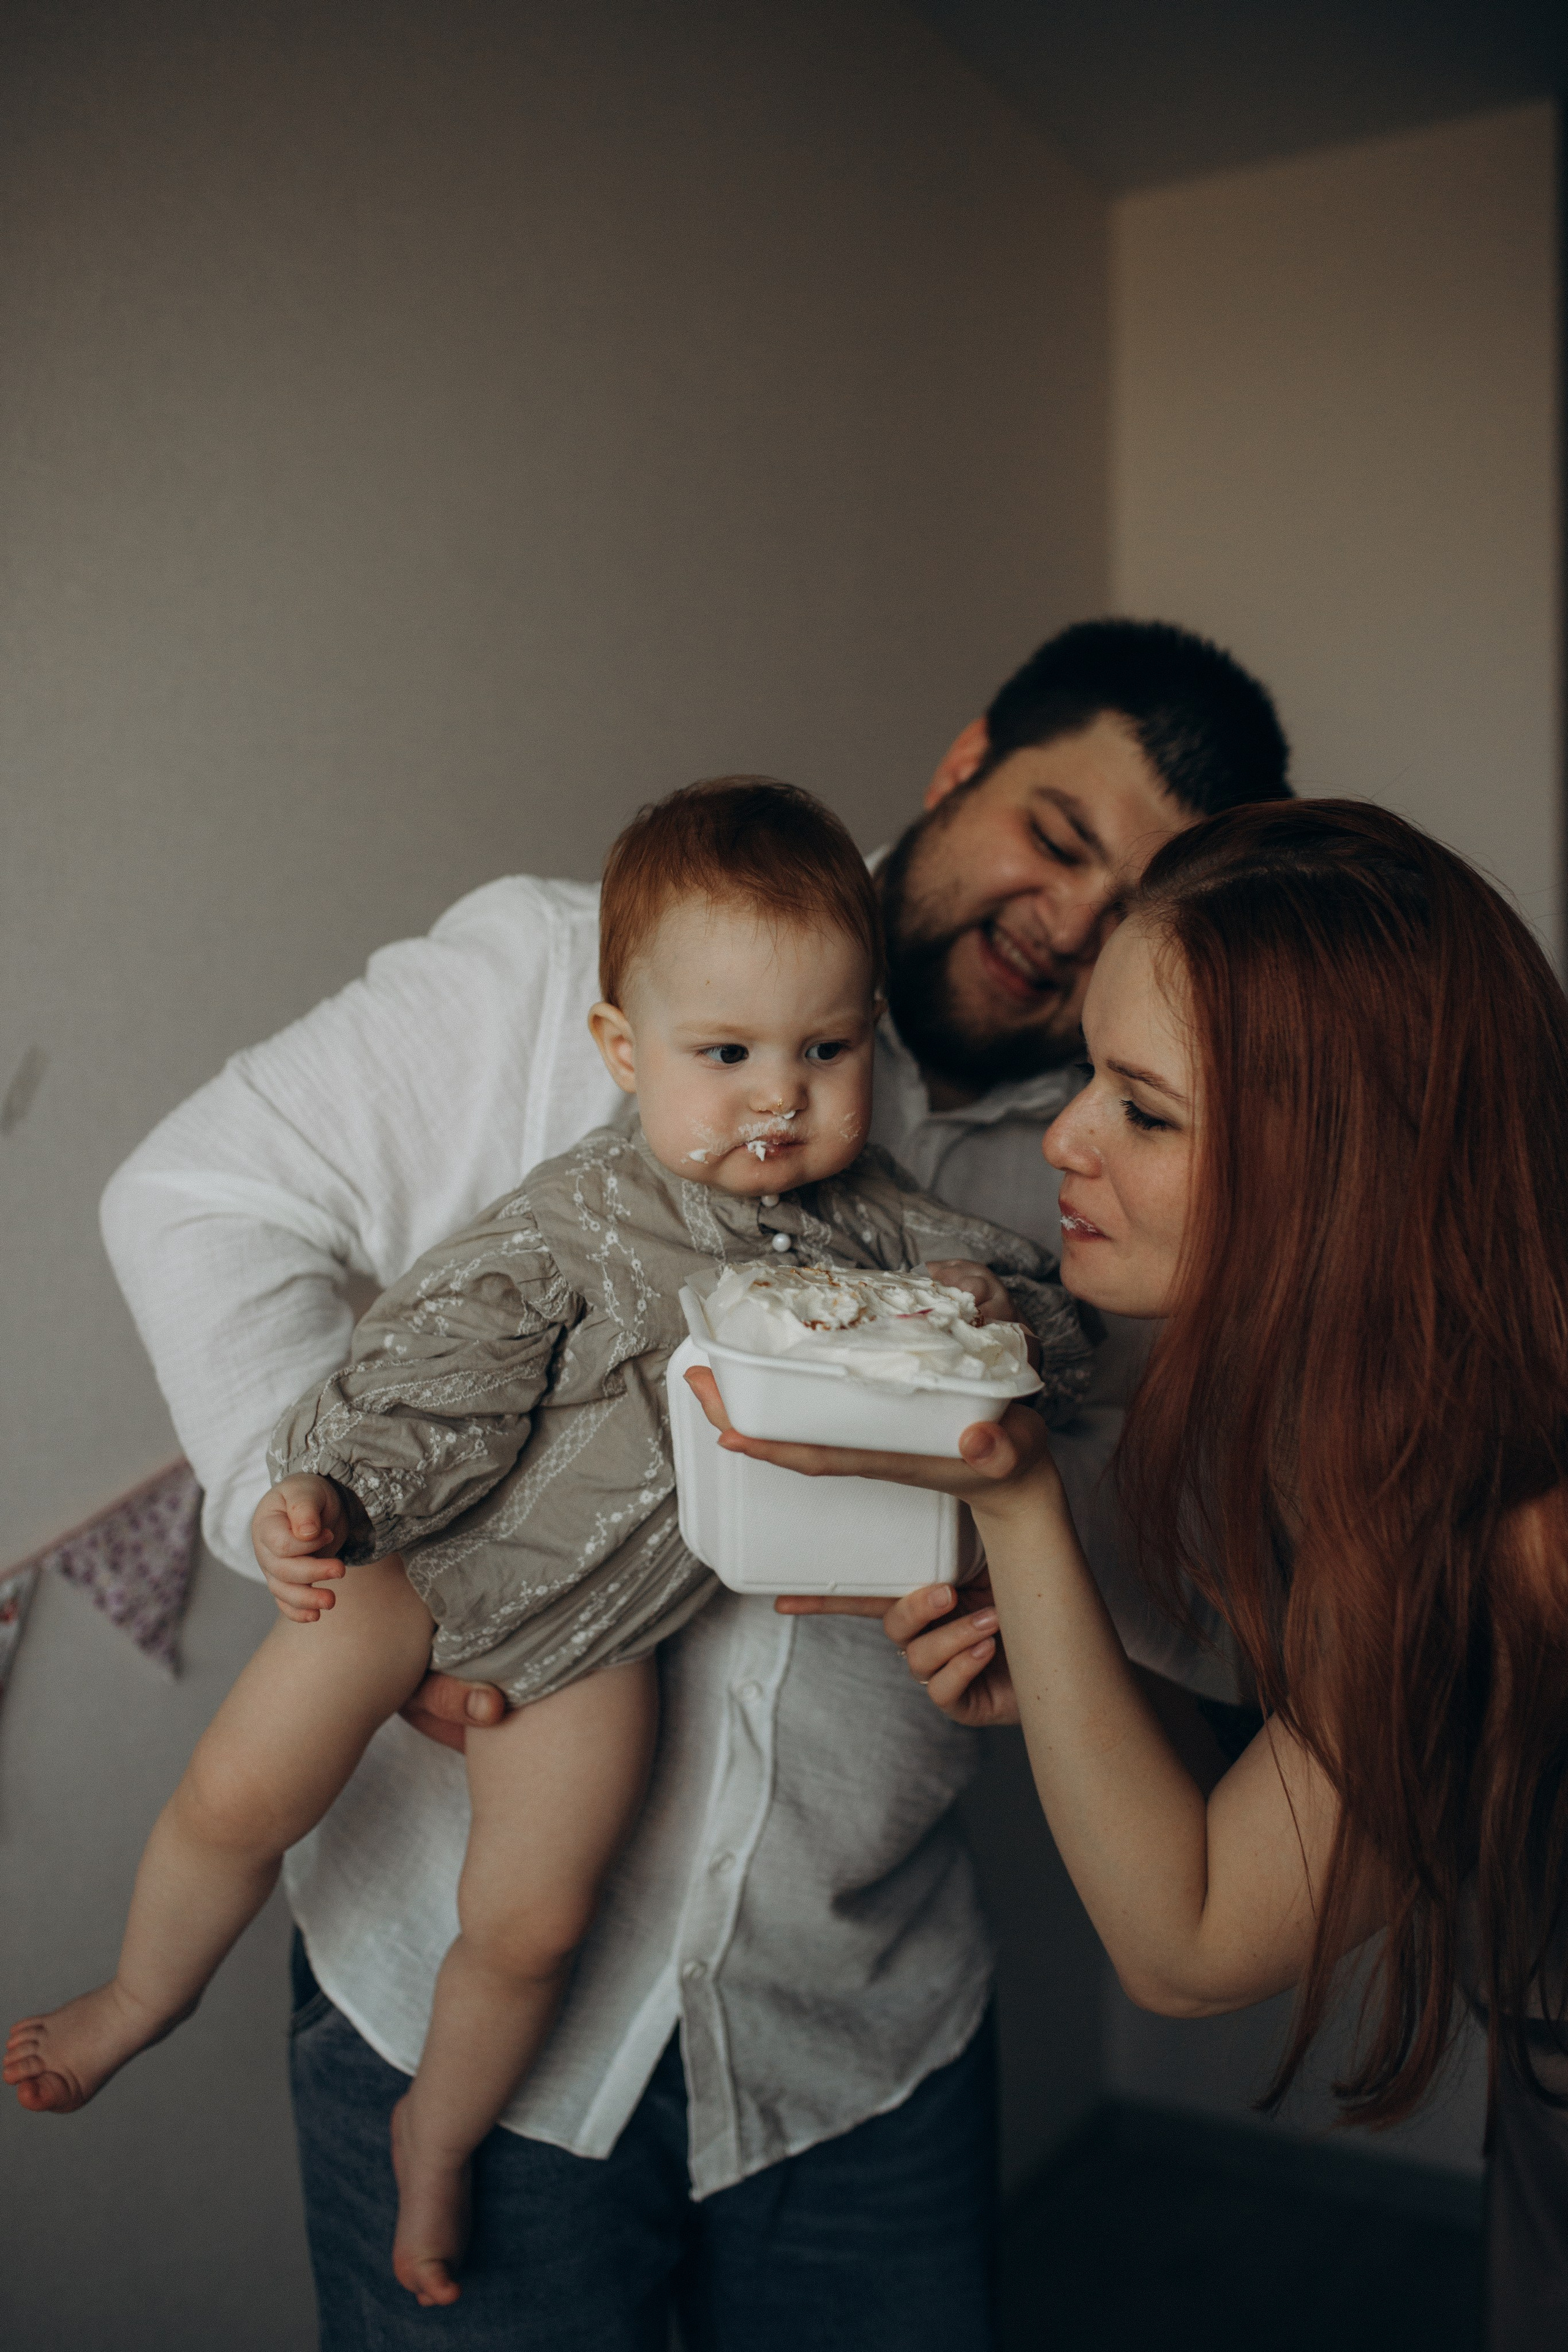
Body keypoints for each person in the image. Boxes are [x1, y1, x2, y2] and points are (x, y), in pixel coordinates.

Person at [92, 618, 1290, 2349]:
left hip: (857, 2033)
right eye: (1058, 836)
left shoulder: (1115, 1162)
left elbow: (1151, 1500)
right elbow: (198, 1202)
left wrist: (1030, 1565)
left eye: (1138, 900)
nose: (1072, 923)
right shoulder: (552, 970)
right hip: (444, 1978)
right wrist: (339, 1544)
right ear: (964, 764)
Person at [5, 778, 1089, 2309]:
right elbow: (429, 1365)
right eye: (725, 1057)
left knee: (530, 1926)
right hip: (425, 1560)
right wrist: (314, 1495)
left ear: (869, 1044)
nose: (778, 1098)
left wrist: (1004, 1317)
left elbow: (1047, 1310)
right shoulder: (576, 1208)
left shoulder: (877, 1225)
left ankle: (439, 2153)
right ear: (622, 1053)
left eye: (824, 1053)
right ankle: (135, 1996)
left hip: (598, 1646)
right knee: (241, 1794)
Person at [696, 800, 1568, 2352]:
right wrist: (1075, 1681)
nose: (1063, 1143)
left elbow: (1191, 1941)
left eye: (1145, 1112)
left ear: (1345, 1166)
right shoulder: (1373, 1406)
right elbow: (1286, 1803)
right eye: (1084, 1072)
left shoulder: (1513, 1519)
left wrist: (1011, 1497)